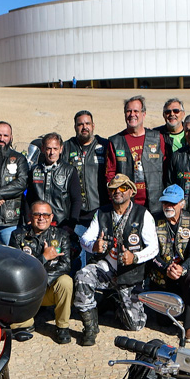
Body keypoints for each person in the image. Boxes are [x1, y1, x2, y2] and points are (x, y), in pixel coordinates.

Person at [75, 174, 159, 345]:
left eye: (122, 188)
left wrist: (135, 257)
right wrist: (93, 246)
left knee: (136, 325)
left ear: (131, 191)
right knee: (82, 275)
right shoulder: (101, 212)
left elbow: (154, 248)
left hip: (130, 273)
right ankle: (91, 328)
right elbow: (84, 239)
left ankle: (115, 303)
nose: (117, 192)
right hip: (107, 268)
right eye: (113, 189)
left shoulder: (143, 214)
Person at [9, 201, 73, 344]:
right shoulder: (18, 236)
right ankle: (26, 320)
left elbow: (66, 265)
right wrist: (44, 258)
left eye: (45, 214)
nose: (41, 218)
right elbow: (15, 269)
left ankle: (62, 327)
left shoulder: (61, 236)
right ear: (30, 216)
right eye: (37, 214)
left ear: (51, 217)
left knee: (66, 281)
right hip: (28, 292)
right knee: (19, 327)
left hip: (49, 289)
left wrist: (43, 279)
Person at [148, 185, 190, 341]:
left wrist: (182, 268)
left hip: (182, 273)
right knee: (164, 323)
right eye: (165, 203)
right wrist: (166, 268)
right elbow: (151, 253)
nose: (168, 206)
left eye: (173, 203)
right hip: (162, 273)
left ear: (182, 204)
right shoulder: (153, 220)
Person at [62, 111, 109, 266]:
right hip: (76, 215)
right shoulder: (66, 147)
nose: (84, 127)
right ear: (75, 126)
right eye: (80, 124)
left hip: (100, 212)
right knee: (79, 258)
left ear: (93, 126)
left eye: (87, 124)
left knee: (101, 256)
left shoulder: (105, 146)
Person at [106, 96, 167, 216]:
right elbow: (110, 174)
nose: (132, 114)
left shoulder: (157, 138)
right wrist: (115, 199)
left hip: (155, 204)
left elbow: (166, 168)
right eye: (128, 111)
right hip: (126, 205)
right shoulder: (115, 141)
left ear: (143, 114)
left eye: (136, 111)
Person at [27, 133, 82, 229]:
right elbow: (29, 198)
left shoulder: (69, 171)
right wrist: (28, 220)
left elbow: (76, 200)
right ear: (43, 149)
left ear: (61, 149)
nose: (52, 152)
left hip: (61, 224)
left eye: (55, 149)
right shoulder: (35, 170)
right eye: (48, 148)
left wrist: (71, 225)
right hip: (38, 223)